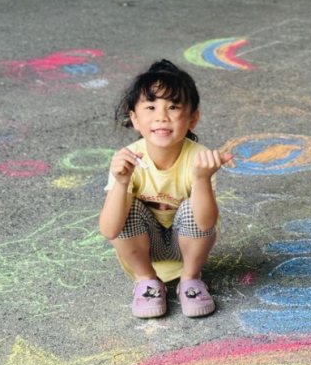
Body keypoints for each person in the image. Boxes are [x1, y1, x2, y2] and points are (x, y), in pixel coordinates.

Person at [99, 60, 232, 318]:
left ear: (193, 118)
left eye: (173, 107)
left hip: (186, 248)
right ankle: (147, 281)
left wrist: (202, 179)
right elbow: (109, 229)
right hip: (146, 249)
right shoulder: (127, 159)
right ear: (135, 119)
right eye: (151, 107)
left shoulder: (199, 157)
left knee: (194, 204)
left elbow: (205, 223)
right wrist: (122, 182)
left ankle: (191, 280)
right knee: (126, 206)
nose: (161, 116)